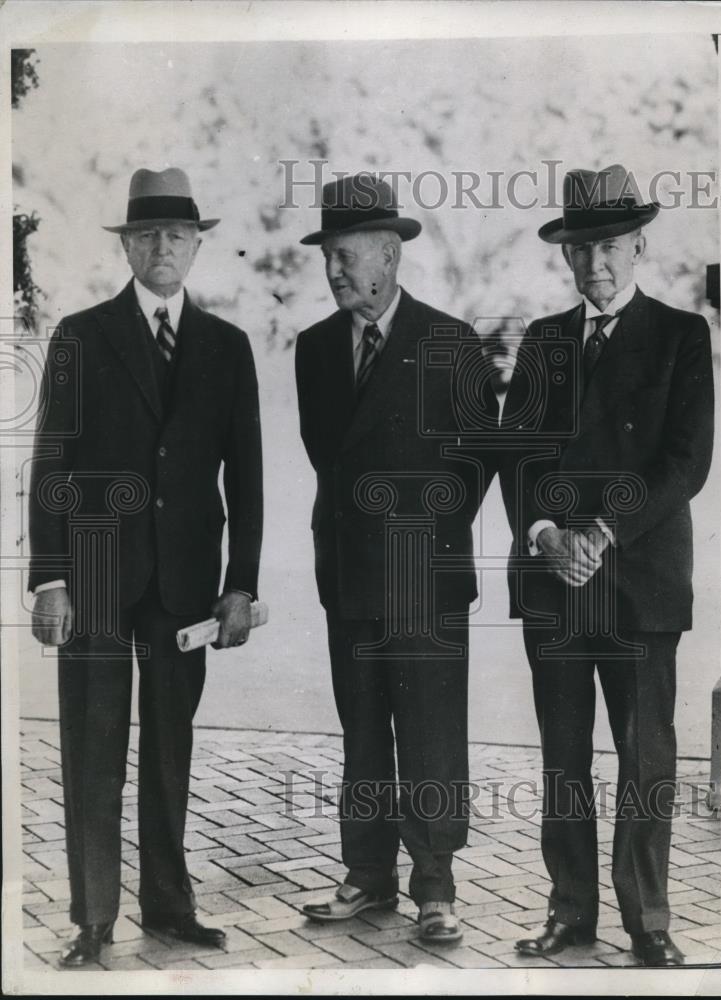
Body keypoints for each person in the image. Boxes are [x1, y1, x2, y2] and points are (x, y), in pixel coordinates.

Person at [28, 167, 263, 967]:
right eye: (147, 235)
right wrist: (49, 576)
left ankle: (169, 907)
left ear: (197, 246)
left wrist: (241, 585)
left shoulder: (228, 348)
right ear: (127, 245)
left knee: (171, 747)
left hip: (186, 583)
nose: (163, 248)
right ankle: (92, 918)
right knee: (94, 746)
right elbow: (51, 461)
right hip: (93, 574)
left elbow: (249, 476)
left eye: (177, 235)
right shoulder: (81, 336)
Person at [500, 164, 714, 967]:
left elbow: (686, 462)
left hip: (639, 582)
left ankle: (648, 921)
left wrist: (602, 532)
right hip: (555, 583)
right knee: (563, 757)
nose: (597, 264)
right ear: (566, 257)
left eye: (612, 247)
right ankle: (571, 913)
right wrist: (550, 532)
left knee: (644, 756)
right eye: (582, 249)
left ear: (639, 246)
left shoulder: (681, 336)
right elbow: (517, 458)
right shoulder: (544, 341)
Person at [294, 174, 498, 943]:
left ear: (389, 253)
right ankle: (368, 876)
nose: (336, 271)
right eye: (328, 259)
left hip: (427, 573)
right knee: (363, 734)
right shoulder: (314, 349)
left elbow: (480, 460)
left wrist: (425, 532)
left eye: (347, 256)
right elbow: (328, 457)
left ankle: (436, 889)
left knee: (431, 731)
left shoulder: (451, 341)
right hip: (348, 572)